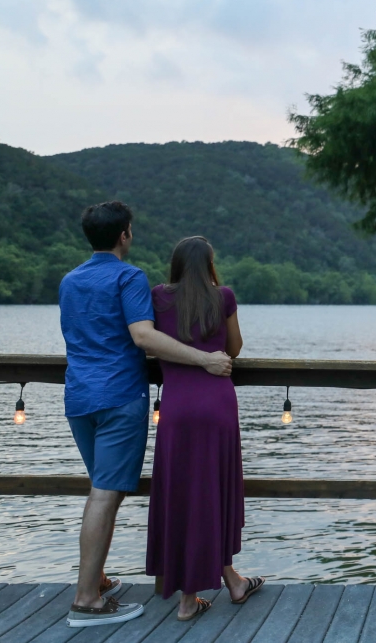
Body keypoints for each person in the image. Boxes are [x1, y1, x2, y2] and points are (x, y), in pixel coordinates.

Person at [60, 202, 232, 628]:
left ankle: (97, 579)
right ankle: (86, 600)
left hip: (78, 396)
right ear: (125, 235)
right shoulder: (129, 277)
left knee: (102, 489)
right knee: (106, 493)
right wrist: (205, 359)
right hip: (118, 395)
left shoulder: (70, 280)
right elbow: (143, 336)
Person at [146, 236, 264, 621]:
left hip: (177, 408)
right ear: (210, 264)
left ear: (176, 264)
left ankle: (229, 581)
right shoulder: (223, 296)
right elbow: (234, 348)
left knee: (183, 496)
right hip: (217, 405)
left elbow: (149, 344)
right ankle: (189, 600)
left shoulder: (158, 297)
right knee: (214, 492)